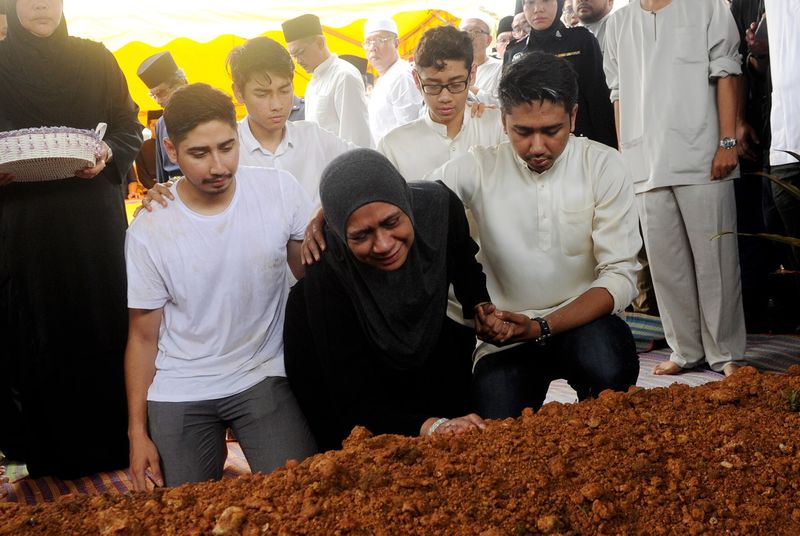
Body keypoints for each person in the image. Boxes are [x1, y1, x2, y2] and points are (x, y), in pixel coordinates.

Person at [125, 83, 317, 490]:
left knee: (299, 492)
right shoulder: (149, 228)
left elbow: (313, 276)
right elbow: (142, 338)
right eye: (199, 153)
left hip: (261, 372)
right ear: (171, 151)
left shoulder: (279, 190)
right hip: (181, 384)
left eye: (227, 147)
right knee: (178, 510)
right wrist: (137, 434)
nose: (218, 166)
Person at [431, 52, 641, 418]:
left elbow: (620, 277)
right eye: (523, 132)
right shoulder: (477, 167)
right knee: (496, 427)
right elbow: (412, 202)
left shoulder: (604, 166)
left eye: (552, 130)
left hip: (585, 324)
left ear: (573, 116)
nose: (538, 146)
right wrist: (337, 209)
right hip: (506, 337)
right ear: (503, 120)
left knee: (609, 368)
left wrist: (541, 326)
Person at [0, 0, 143, 479]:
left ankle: (120, 441)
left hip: (93, 225)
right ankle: (51, 454)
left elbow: (128, 125)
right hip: (26, 227)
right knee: (38, 327)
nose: (42, 4)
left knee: (104, 319)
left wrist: (109, 154)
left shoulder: (95, 59)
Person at [284, 149, 489, 451]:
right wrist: (430, 426)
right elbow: (351, 395)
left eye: (392, 222)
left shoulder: (438, 207)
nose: (383, 244)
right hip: (347, 374)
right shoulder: (327, 269)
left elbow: (463, 260)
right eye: (361, 236)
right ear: (340, 233)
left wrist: (479, 304)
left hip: (425, 341)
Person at [604, 0, 747, 376]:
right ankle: (685, 350)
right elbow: (618, 93)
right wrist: (626, 156)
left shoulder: (707, 6)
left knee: (716, 263)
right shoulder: (619, 23)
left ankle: (726, 352)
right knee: (666, 267)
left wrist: (727, 142)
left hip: (703, 154)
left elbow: (727, 72)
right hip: (644, 161)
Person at [139, 36, 356, 210]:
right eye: (262, 94)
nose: (277, 104)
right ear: (239, 93)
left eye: (284, 90)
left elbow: (365, 165)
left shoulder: (314, 137)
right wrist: (167, 193)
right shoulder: (222, 151)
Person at [376, 25, 506, 183]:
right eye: (433, 86)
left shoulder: (498, 128)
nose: (445, 97)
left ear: (472, 75)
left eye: (456, 85)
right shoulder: (393, 147)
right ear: (416, 79)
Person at [506, 0, 617, 149]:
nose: (538, 9)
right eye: (530, 2)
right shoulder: (514, 52)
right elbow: (508, 107)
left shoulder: (581, 40)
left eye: (546, 1)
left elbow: (599, 100)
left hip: (579, 143)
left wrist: (608, 148)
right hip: (530, 145)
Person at [282, 14, 372, 147]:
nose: (297, 61)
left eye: (300, 52)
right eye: (293, 56)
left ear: (320, 43)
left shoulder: (344, 76)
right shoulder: (312, 83)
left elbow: (356, 137)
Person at [362, 16, 422, 144]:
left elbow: (410, 130)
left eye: (380, 40)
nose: (372, 47)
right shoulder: (385, 77)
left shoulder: (402, 76)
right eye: (368, 42)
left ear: (396, 43)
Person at [136, 51, 187, 183]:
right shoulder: (161, 123)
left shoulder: (208, 113)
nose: (158, 101)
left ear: (181, 83)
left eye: (161, 93)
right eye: (154, 96)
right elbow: (161, 174)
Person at [460, 15, 503, 105]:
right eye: (464, 31)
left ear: (488, 40)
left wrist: (469, 88)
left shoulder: (501, 68)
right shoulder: (450, 68)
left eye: (476, 31)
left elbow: (503, 105)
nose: (469, 36)